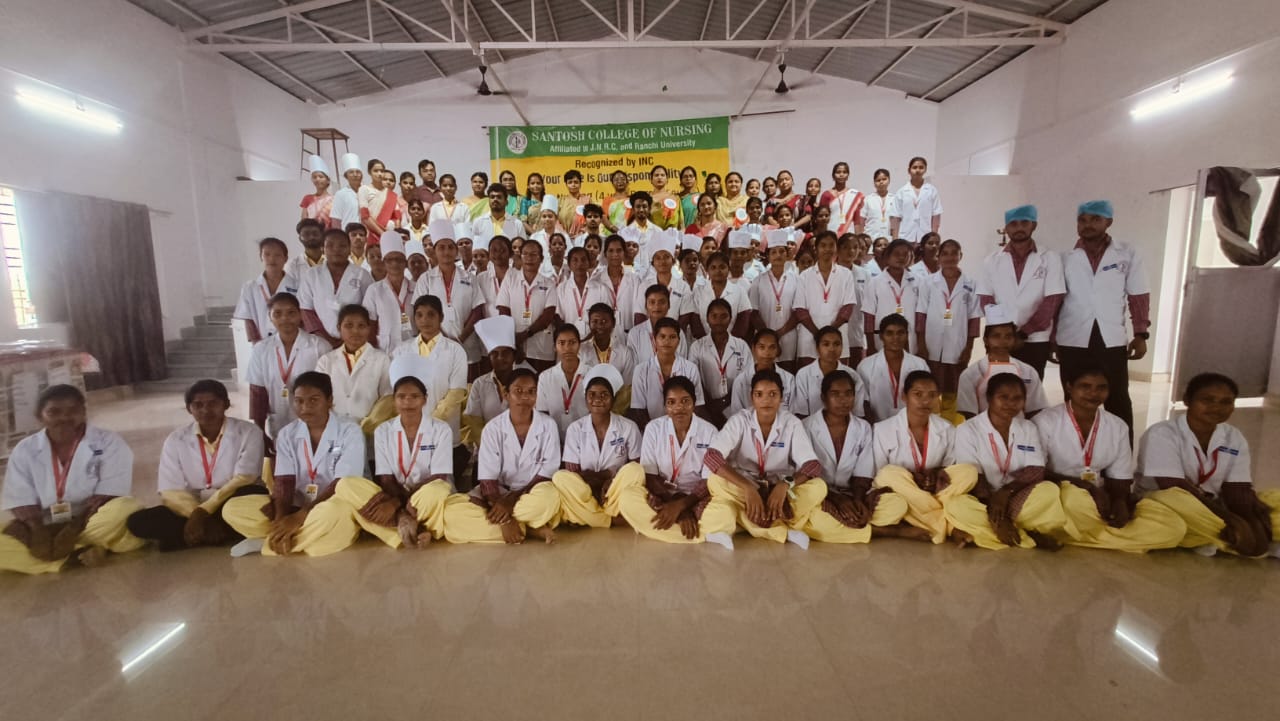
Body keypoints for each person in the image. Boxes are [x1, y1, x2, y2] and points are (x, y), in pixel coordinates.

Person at [1035, 365, 1185, 552]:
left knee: (1174, 527)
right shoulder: (1046, 421)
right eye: (1085, 386)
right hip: (1062, 493)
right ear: (1069, 387)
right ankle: (1109, 535)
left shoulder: (1117, 426)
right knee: (1074, 502)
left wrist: (1119, 501)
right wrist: (1086, 487)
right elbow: (1037, 471)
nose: (1093, 393)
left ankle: (1075, 534)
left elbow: (1120, 477)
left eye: (1101, 388)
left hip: (1101, 495)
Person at [0, 385, 143, 573]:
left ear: (83, 412)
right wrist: (37, 530)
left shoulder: (108, 442)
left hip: (92, 518)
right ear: (39, 416)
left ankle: (60, 554)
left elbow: (111, 493)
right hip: (44, 523)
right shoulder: (25, 449)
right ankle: (80, 554)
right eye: (54, 412)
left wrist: (74, 528)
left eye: (73, 411)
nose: (64, 418)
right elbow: (20, 498)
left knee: (124, 509)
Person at [1138, 373, 1280, 558]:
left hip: (1216, 503)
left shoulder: (1234, 437)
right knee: (1175, 508)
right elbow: (1173, 486)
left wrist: (1252, 520)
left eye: (1226, 402)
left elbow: (1237, 488)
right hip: (1167, 503)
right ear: (1187, 400)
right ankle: (1229, 535)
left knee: (1273, 501)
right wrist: (1231, 519)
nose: (1217, 408)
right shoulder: (1162, 433)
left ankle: (1219, 537)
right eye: (1207, 400)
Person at [221, 372, 363, 557]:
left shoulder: (349, 431)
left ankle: (266, 543)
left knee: (332, 514)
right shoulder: (287, 434)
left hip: (334, 503)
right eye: (299, 401)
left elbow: (342, 483)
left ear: (329, 401)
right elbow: (284, 481)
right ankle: (288, 536)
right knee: (232, 509)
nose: (305, 407)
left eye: (314, 400)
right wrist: (281, 519)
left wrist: (300, 517)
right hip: (298, 504)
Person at [126, 380, 267, 552]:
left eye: (213, 403)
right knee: (138, 522)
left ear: (226, 404)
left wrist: (203, 512)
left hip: (231, 500)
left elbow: (245, 478)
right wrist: (196, 514)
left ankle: (189, 535)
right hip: (190, 508)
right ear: (189, 409)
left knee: (251, 495)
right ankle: (219, 531)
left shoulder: (249, 432)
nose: (206, 410)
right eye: (198, 405)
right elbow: (170, 489)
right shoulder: (175, 439)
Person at [332, 356, 454, 550]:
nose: (408, 402)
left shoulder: (441, 429)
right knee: (346, 484)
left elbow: (439, 476)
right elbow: (386, 479)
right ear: (394, 401)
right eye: (401, 397)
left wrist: (398, 505)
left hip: (425, 499)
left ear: (424, 399)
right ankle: (419, 528)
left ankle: (400, 526)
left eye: (414, 396)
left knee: (437, 490)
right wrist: (397, 504)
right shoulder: (383, 431)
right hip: (393, 495)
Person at [1057, 200, 1151, 433]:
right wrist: (1052, 338)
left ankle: (1122, 450)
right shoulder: (1065, 257)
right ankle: (1075, 447)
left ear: (1108, 222)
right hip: (1072, 337)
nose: (1087, 225)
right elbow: (1056, 299)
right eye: (1082, 220)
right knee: (1073, 397)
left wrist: (1140, 334)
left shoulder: (1127, 253)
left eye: (1095, 219)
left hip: (1110, 338)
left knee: (1117, 397)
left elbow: (1138, 295)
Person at [945, 373, 1068, 550]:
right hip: (981, 498)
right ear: (989, 398)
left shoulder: (1028, 428)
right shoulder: (968, 429)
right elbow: (974, 475)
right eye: (1003, 397)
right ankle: (1027, 535)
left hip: (1016, 493)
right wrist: (994, 506)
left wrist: (1005, 493)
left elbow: (1035, 470)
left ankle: (989, 531)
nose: (1011, 404)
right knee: (956, 506)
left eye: (1017, 398)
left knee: (1049, 491)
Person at [704, 370, 825, 548]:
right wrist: (747, 487)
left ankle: (747, 518)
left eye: (773, 394)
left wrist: (785, 485)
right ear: (752, 398)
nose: (766, 400)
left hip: (779, 489)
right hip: (745, 486)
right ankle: (780, 528)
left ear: (781, 397)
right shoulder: (740, 420)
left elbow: (812, 465)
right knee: (715, 480)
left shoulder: (791, 423)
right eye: (759, 394)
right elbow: (712, 456)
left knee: (819, 487)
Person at [443, 369, 563, 544]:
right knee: (451, 514)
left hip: (533, 493)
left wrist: (510, 501)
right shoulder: (492, 429)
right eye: (518, 391)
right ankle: (528, 528)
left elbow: (547, 473)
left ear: (537, 396)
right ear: (506, 394)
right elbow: (488, 480)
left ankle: (506, 526)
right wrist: (503, 512)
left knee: (550, 499)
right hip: (497, 494)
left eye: (531, 392)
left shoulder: (548, 425)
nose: (525, 397)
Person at [611, 377, 734, 546]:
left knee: (726, 512)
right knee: (627, 499)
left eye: (685, 401)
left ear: (694, 403)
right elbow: (650, 476)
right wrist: (677, 509)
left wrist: (681, 506)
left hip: (695, 497)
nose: (678, 408)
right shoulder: (654, 429)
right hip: (662, 494)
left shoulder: (709, 431)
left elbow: (708, 481)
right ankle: (704, 535)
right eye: (671, 402)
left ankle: (654, 527)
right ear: (665, 406)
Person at [802, 371, 914, 543]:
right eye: (835, 394)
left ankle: (849, 523)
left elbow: (863, 471)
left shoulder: (863, 428)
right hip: (821, 495)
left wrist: (858, 501)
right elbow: (806, 475)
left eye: (848, 394)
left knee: (897, 504)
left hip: (852, 493)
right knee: (816, 520)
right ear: (823, 398)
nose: (843, 400)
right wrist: (837, 499)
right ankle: (882, 531)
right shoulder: (806, 426)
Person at [870, 371, 978, 544]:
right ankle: (949, 526)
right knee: (889, 474)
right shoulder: (882, 429)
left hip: (934, 490)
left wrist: (936, 473)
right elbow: (879, 475)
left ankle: (921, 518)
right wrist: (912, 479)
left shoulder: (947, 429)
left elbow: (949, 467)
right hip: (899, 490)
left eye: (932, 395)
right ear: (904, 396)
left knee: (969, 472)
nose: (926, 401)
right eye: (918, 394)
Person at [976, 205, 1065, 377]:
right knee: (998, 384)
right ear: (1006, 228)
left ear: (1034, 225)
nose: (1019, 228)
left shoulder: (1050, 258)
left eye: (1024, 223)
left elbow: (1053, 301)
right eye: (1013, 224)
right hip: (1001, 340)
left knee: (1031, 385)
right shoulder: (991, 261)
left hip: (1035, 339)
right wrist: (1005, 334)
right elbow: (986, 299)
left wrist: (1023, 333)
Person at [550, 364, 642, 528]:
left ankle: (586, 516)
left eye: (604, 395)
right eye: (592, 395)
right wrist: (605, 475)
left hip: (614, 490)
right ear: (585, 399)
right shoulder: (575, 429)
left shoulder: (629, 427)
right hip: (585, 491)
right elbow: (573, 474)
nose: (598, 399)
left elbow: (636, 465)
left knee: (635, 470)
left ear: (613, 399)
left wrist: (612, 480)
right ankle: (610, 518)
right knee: (560, 477)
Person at [391, 295, 470, 482]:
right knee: (408, 481)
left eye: (431, 314)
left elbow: (455, 395)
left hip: (443, 429)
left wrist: (428, 426)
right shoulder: (401, 351)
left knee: (440, 483)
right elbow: (396, 393)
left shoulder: (455, 351)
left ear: (441, 317)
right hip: (408, 428)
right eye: (419, 315)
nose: (425, 320)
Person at [246, 292, 330, 442]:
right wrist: (260, 431)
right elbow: (258, 393)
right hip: (279, 424)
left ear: (300, 315)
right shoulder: (261, 349)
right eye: (277, 314)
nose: (285, 318)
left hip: (316, 425)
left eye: (291, 313)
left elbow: (329, 391)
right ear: (270, 317)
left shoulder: (319, 346)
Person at [916, 239, 980, 423]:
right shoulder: (928, 282)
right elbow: (921, 314)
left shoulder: (970, 284)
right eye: (945, 253)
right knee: (932, 383)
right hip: (932, 343)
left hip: (957, 343)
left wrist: (969, 348)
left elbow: (974, 318)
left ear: (961, 256)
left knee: (953, 384)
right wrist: (921, 344)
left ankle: (950, 422)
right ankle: (932, 422)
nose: (950, 257)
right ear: (939, 256)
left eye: (954, 253)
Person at [415, 219, 485, 377]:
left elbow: (477, 310)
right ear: (434, 250)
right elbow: (419, 312)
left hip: (468, 346)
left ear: (456, 251)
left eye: (450, 247)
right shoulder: (425, 279)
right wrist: (443, 339)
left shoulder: (470, 278)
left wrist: (461, 337)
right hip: (436, 345)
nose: (446, 252)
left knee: (468, 387)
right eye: (441, 247)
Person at [956, 305, 1048, 419]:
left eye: (1008, 336)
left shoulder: (1028, 371)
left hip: (1020, 428)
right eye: (996, 336)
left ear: (1014, 340)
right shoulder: (970, 374)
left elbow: (1035, 410)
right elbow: (969, 414)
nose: (1003, 341)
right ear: (986, 340)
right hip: (983, 428)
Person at [314, 304, 392, 428]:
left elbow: (386, 398)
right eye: (349, 325)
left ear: (369, 328)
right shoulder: (326, 361)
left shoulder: (382, 359)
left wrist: (370, 424)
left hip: (369, 428)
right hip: (333, 428)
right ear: (339, 328)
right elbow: (317, 396)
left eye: (361, 326)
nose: (355, 331)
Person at [298, 228, 374, 348]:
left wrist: (351, 336)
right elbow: (306, 309)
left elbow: (370, 310)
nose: (336, 249)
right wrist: (324, 337)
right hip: (319, 341)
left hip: (355, 339)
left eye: (342, 246)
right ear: (323, 248)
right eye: (330, 245)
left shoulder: (362, 275)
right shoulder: (312, 275)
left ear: (349, 249)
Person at [462, 316, 527, 451]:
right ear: (489, 357)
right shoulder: (479, 384)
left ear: (514, 355)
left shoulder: (525, 382)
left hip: (521, 448)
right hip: (487, 448)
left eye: (505, 353)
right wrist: (491, 447)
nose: (500, 358)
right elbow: (474, 422)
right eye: (495, 354)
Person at [794, 231, 858, 365]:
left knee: (838, 375)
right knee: (810, 374)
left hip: (837, 335)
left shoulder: (846, 274)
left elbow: (848, 307)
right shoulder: (804, 276)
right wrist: (818, 334)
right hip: (810, 337)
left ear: (836, 248)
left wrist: (830, 332)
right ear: (816, 248)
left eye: (831, 245)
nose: (827, 249)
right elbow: (800, 309)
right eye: (823, 245)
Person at [630, 317, 705, 429]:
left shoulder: (690, 368)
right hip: (652, 431)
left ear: (679, 341)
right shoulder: (641, 370)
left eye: (672, 337)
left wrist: (681, 432)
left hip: (684, 428)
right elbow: (639, 410)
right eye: (662, 336)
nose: (667, 341)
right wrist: (657, 433)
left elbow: (697, 407)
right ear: (654, 340)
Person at [687, 298, 751, 426]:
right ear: (707, 318)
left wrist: (726, 401)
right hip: (707, 407)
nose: (718, 321)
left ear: (730, 318)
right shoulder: (697, 347)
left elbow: (747, 376)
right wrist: (710, 404)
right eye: (714, 316)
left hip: (736, 404)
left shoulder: (741, 346)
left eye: (723, 316)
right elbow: (694, 379)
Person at [497, 238, 558, 371]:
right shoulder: (510, 279)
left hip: (541, 347)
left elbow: (548, 316)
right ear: (520, 256)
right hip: (515, 346)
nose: (529, 258)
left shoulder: (548, 283)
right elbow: (503, 310)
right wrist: (514, 340)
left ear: (541, 259)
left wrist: (525, 335)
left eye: (534, 254)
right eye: (525, 254)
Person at [857, 314, 930, 423]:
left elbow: (926, 399)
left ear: (907, 335)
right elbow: (863, 403)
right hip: (878, 425)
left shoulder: (920, 364)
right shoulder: (865, 366)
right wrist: (874, 428)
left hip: (912, 424)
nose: (895, 338)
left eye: (900, 333)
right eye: (889, 333)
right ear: (881, 336)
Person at [750, 228, 801, 371]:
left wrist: (780, 333)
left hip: (788, 338)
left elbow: (798, 312)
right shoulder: (758, 281)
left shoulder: (796, 280)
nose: (778, 255)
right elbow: (753, 312)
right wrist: (768, 335)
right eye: (773, 252)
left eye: (781, 251)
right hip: (764, 341)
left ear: (787, 254)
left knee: (787, 373)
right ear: (768, 256)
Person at [235, 237, 299, 344]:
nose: (272, 259)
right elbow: (248, 318)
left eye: (277, 255)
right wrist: (256, 343)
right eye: (267, 254)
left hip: (292, 340)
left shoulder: (297, 285)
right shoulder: (250, 287)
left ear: (285, 258)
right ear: (261, 257)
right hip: (261, 341)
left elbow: (301, 316)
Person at [791, 326, 865, 418]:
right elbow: (801, 412)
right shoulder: (804, 374)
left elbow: (857, 413)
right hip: (812, 425)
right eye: (826, 344)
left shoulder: (853, 375)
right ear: (817, 348)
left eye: (837, 344)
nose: (832, 349)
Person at [863, 239, 922, 355]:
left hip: (910, 337)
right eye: (896, 254)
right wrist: (870, 345)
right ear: (887, 256)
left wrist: (921, 343)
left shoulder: (918, 281)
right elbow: (869, 316)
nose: (901, 257)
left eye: (905, 254)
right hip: (883, 336)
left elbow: (921, 315)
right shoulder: (875, 282)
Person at [360, 231, 414, 353]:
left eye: (399, 259)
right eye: (389, 260)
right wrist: (375, 354)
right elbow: (370, 325)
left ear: (405, 263)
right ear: (384, 262)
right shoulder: (374, 290)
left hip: (414, 350)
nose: (394, 263)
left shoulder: (416, 288)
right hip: (385, 351)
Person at [536, 324, 591, 439]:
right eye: (561, 343)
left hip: (586, 439)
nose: (567, 348)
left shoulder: (591, 374)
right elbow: (542, 415)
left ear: (579, 345)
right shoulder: (545, 377)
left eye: (572, 342)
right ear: (554, 347)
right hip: (553, 440)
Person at [580, 303, 635, 414]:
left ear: (613, 323)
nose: (600, 326)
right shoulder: (581, 351)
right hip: (586, 408)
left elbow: (626, 387)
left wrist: (612, 410)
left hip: (616, 409)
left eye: (604, 321)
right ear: (589, 324)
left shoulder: (625, 352)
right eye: (595, 322)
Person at [728, 328, 795, 415]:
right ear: (753, 349)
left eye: (772, 347)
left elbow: (791, 414)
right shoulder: (741, 381)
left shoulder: (789, 379)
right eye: (762, 347)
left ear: (778, 350)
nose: (767, 353)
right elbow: (737, 416)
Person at [690, 251, 753, 341]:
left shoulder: (739, 291)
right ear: (707, 270)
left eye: (722, 267)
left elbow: (743, 321)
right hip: (703, 343)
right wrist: (707, 342)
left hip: (733, 344)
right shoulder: (699, 292)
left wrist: (729, 342)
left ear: (728, 268)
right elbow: (695, 321)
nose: (718, 271)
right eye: (713, 267)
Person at [628, 284, 690, 364]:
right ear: (646, 306)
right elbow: (632, 366)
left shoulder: (678, 332)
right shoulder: (635, 333)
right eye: (652, 302)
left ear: (669, 305)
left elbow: (682, 364)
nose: (657, 306)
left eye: (662, 302)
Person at [558, 247, 608, 338]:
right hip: (569, 340)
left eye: (583, 260)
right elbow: (558, 317)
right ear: (569, 264)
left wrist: (591, 336)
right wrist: (568, 335)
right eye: (575, 260)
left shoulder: (600, 288)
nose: (579, 264)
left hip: (594, 338)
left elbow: (605, 316)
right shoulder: (561, 288)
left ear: (589, 263)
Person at [889, 156, 942, 243]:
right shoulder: (901, 192)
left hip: (925, 236)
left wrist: (934, 238)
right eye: (914, 167)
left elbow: (936, 216)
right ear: (909, 170)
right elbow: (895, 217)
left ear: (925, 169)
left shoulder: (932, 191)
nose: (918, 170)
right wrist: (895, 240)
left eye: (921, 167)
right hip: (905, 236)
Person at [819, 161, 865, 237]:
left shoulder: (855, 195)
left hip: (850, 235)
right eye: (838, 172)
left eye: (844, 172)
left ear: (848, 175)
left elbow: (857, 220)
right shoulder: (826, 195)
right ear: (833, 175)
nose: (841, 175)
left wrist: (858, 237)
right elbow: (821, 218)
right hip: (830, 234)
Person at [359, 162, 401, 239]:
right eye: (376, 171)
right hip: (370, 233)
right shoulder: (364, 189)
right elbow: (365, 216)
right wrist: (381, 233)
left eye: (382, 171)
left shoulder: (391, 194)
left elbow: (397, 217)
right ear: (369, 172)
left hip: (388, 235)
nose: (379, 174)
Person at [328, 152, 362, 231]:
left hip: (365, 234)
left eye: (358, 172)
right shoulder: (341, 194)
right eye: (351, 172)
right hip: (347, 233)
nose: (355, 175)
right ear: (346, 176)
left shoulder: (367, 191)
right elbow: (336, 219)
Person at [860, 168, 896, 241]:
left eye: (884, 179)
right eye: (878, 180)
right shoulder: (868, 199)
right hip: (871, 238)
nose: (881, 182)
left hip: (889, 239)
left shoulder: (895, 199)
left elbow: (897, 222)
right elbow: (861, 221)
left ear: (889, 180)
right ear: (874, 183)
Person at [558, 169, 594, 238]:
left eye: (576, 182)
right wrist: (564, 234)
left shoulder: (587, 200)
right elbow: (556, 221)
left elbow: (592, 218)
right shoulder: (561, 201)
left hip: (583, 237)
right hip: (564, 237)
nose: (573, 185)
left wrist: (582, 233)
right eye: (570, 182)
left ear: (580, 184)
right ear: (566, 184)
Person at [300, 155, 334, 226]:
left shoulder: (334, 200)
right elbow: (304, 221)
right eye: (314, 177)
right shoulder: (307, 198)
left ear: (328, 180)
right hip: (311, 231)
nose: (317, 179)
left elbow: (335, 222)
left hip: (329, 232)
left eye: (321, 177)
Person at [648, 165, 684, 230]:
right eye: (656, 175)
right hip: (652, 234)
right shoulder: (647, 199)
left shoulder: (675, 198)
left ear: (667, 179)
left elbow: (681, 223)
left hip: (672, 235)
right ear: (651, 180)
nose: (659, 177)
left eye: (662, 175)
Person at [676, 166, 701, 234]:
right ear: (681, 180)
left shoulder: (702, 197)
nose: (688, 179)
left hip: (700, 233)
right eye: (685, 177)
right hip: (684, 233)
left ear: (695, 179)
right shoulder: (677, 198)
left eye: (691, 176)